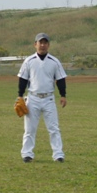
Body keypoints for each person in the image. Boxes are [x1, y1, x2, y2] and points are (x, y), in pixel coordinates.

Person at [16, 33, 67, 163]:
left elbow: (60, 79)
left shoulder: (54, 61)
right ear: (35, 44)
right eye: (40, 42)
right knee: (29, 129)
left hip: (49, 99)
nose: (42, 45)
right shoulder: (29, 61)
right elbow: (23, 79)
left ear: (48, 45)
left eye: (45, 42)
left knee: (54, 128)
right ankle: (27, 154)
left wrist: (63, 95)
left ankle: (58, 155)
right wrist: (20, 96)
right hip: (33, 98)